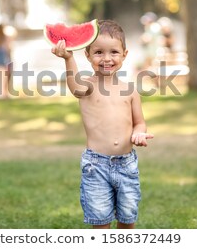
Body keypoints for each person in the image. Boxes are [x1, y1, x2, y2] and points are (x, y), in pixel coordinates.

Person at [51, 19, 154, 229]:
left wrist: (139, 134)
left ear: (124, 54)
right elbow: (74, 87)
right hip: (95, 166)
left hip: (127, 165)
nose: (106, 58)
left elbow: (140, 123)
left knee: (127, 220)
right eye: (98, 52)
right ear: (87, 55)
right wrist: (68, 59)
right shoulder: (87, 86)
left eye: (114, 52)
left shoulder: (130, 90)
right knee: (100, 223)